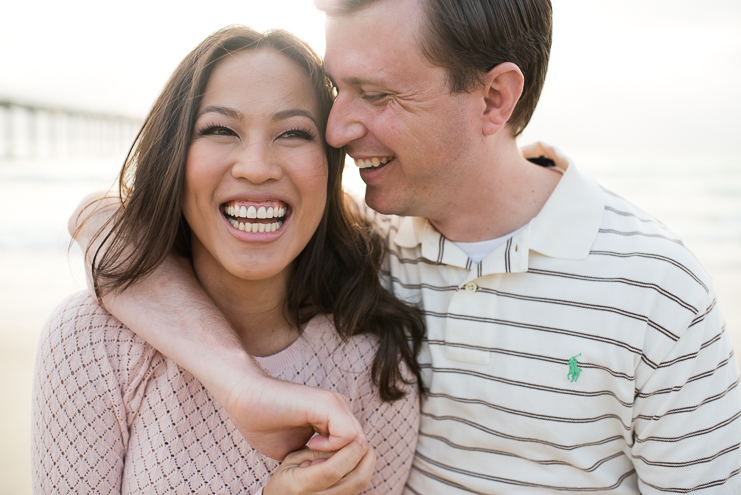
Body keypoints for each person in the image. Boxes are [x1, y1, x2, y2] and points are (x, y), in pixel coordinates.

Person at [69, 0, 741, 493]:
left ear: (493, 99)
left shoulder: (654, 291)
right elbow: (107, 223)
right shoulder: (372, 251)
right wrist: (241, 385)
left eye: (376, 93)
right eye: (338, 89)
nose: (335, 126)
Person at [31, 25, 425, 495]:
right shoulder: (89, 341)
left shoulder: (374, 366)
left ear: (331, 166)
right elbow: (95, 214)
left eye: (294, 133)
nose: (256, 167)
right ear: (174, 155)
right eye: (220, 129)